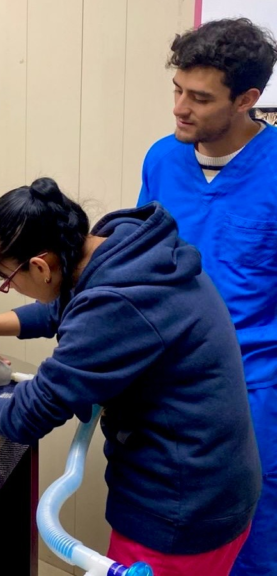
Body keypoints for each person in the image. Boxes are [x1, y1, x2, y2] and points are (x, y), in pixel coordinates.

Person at [0, 177, 260, 576]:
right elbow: (62, 308)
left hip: (181, 510)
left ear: (39, 266)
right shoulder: (122, 245)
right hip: (216, 482)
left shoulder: (117, 302)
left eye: (7, 279)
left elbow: (24, 417)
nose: (9, 288)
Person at [137, 18, 277, 575]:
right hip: (168, 395)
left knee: (250, 550)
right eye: (177, 90)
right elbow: (141, 269)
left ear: (248, 99)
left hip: (256, 395)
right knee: (166, 546)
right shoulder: (161, 160)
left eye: (199, 98)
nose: (180, 108)